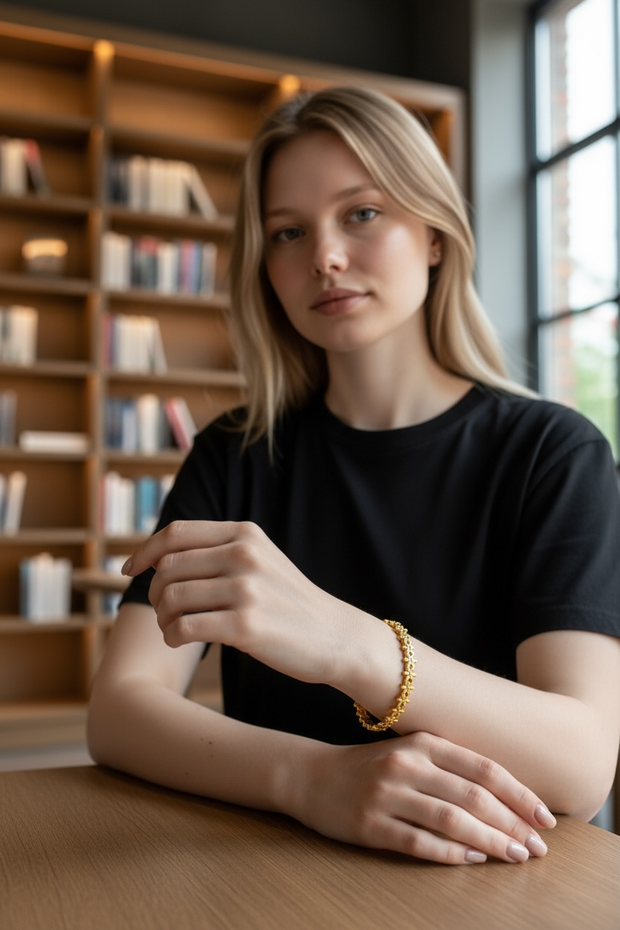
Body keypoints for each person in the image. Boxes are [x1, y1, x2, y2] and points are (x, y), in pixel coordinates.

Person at [87, 86, 620, 866]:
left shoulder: (554, 453)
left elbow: (581, 764)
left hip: (497, 886)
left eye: (362, 213)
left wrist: (350, 645)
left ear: (435, 234)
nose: (325, 257)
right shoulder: (233, 454)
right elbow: (119, 709)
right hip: (269, 874)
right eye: (288, 232)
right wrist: (310, 779)